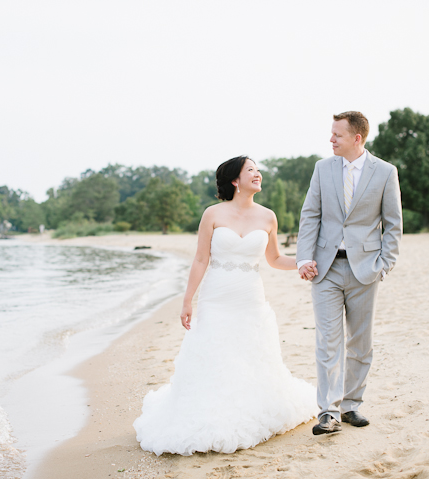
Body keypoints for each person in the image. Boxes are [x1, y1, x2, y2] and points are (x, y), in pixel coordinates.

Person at [133, 156, 317, 456]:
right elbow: (201, 259)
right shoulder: (213, 214)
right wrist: (187, 299)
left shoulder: (268, 216)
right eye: (250, 171)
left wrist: (302, 263)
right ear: (235, 180)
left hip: (250, 297)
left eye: (258, 170)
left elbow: (273, 259)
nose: (257, 174)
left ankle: (251, 408)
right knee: (215, 353)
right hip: (216, 297)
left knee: (250, 353)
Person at [296, 111, 403, 435]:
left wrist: (384, 264)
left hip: (364, 270)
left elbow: (393, 224)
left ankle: (352, 405)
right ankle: (328, 411)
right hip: (325, 268)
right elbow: (310, 215)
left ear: (357, 138)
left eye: (337, 135)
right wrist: (304, 258)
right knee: (327, 341)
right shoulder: (322, 168)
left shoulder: (385, 172)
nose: (331, 139)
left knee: (360, 342)